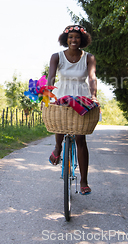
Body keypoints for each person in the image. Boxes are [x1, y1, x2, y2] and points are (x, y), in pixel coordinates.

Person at [47, 25, 98, 195]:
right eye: (70, 37)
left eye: (77, 37)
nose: (73, 40)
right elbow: (51, 77)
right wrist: (48, 94)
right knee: (60, 124)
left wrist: (94, 95)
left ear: (82, 40)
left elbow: (92, 77)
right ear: (65, 40)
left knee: (80, 138)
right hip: (62, 93)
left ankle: (84, 181)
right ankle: (57, 148)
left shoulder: (89, 57)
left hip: (81, 95)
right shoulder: (56, 56)